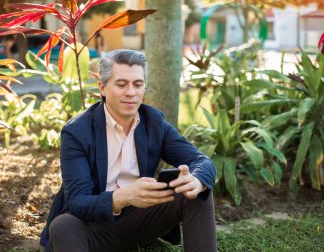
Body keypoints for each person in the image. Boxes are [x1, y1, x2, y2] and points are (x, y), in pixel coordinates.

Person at [40, 49, 217, 252]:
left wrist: (196, 180)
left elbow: (202, 161)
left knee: (196, 190)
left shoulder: (153, 122)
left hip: (140, 221)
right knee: (63, 226)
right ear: (103, 88)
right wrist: (123, 197)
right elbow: (77, 202)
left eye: (137, 84)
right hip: (93, 227)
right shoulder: (77, 132)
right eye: (121, 84)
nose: (131, 92)